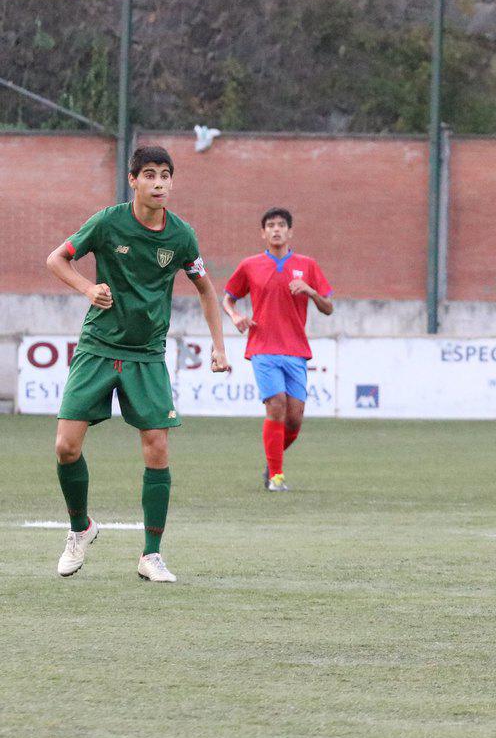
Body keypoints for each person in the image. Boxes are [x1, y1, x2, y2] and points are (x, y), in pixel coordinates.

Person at [46, 145, 230, 583]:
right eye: (149, 174)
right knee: (65, 447)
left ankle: (151, 554)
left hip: (146, 354)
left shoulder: (182, 236)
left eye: (165, 175)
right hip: (97, 347)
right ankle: (80, 529)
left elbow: (206, 289)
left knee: (158, 448)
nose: (159, 183)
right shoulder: (108, 221)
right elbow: (57, 259)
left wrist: (219, 346)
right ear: (133, 180)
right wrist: (88, 290)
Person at [223, 207, 334, 492]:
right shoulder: (250, 265)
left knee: (294, 418)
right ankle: (276, 477)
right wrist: (236, 317)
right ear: (263, 232)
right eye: (270, 225)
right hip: (263, 347)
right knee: (276, 406)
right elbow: (228, 298)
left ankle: (272, 462)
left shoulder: (307, 265)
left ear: (290, 231)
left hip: (296, 349)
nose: (276, 229)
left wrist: (309, 290)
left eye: (281, 225)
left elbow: (329, 307)